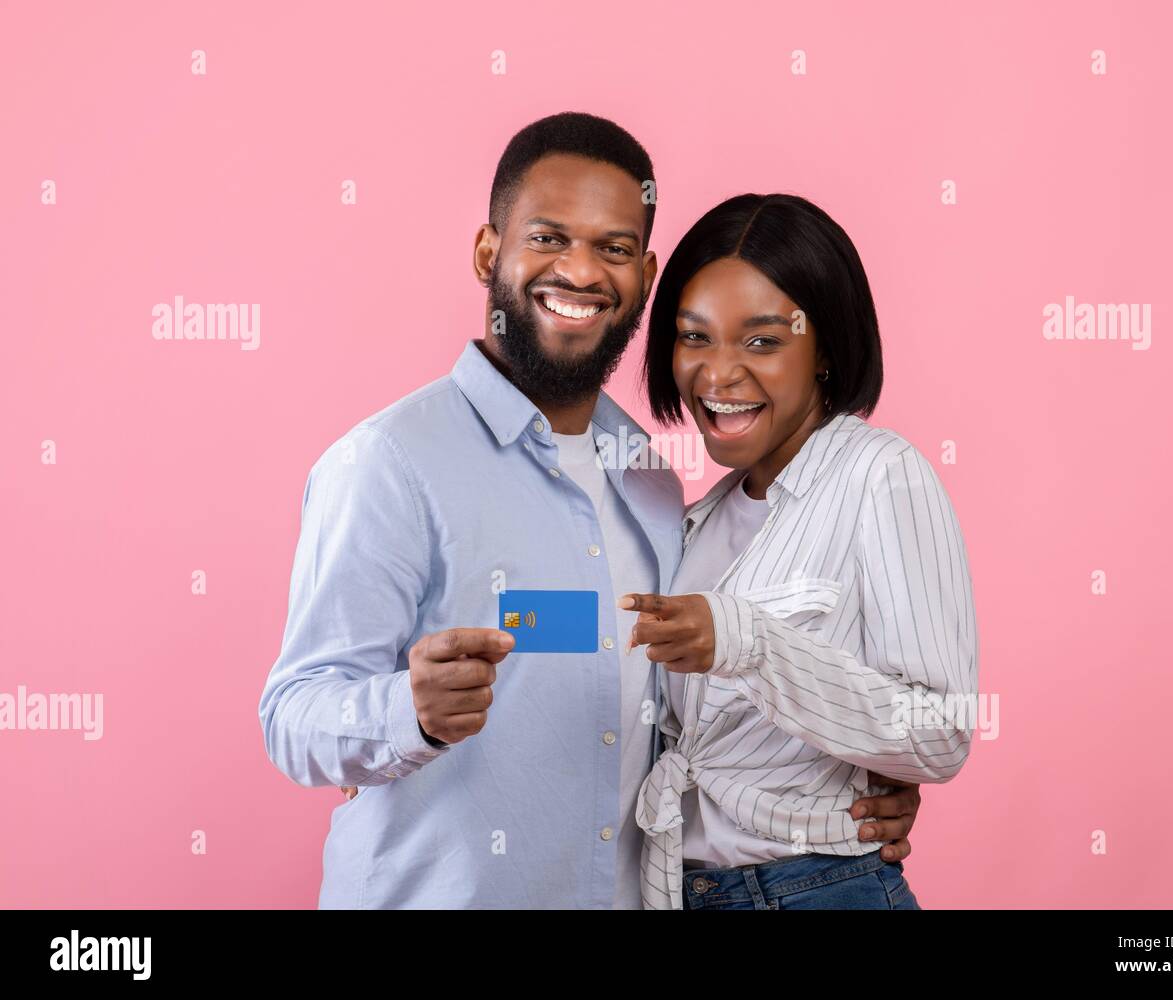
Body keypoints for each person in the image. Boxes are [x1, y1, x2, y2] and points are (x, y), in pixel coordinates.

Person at [259, 113, 921, 908]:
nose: (580, 271)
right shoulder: (389, 464)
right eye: (548, 237)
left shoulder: (649, 480)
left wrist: (835, 793)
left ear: (642, 275)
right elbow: (293, 715)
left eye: (611, 248)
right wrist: (408, 712)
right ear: (487, 253)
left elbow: (660, 707)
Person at [622, 193, 978, 910]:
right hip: (681, 890)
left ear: (825, 351)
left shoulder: (879, 476)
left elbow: (941, 733)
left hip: (814, 890)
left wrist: (750, 643)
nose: (717, 376)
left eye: (761, 341)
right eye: (695, 338)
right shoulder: (687, 522)